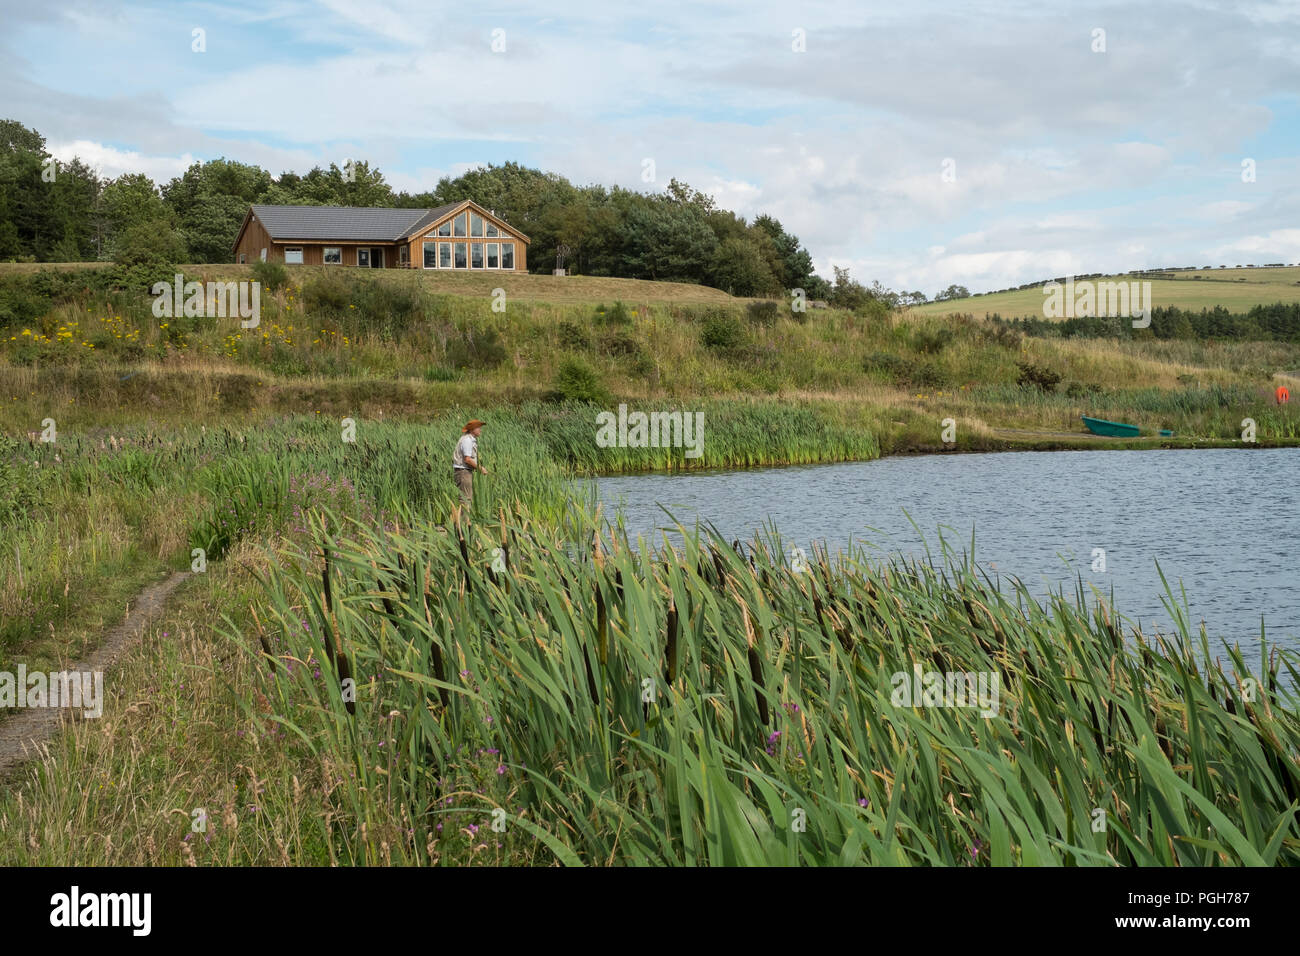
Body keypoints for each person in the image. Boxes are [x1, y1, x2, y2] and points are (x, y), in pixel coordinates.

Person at [453, 419, 488, 512]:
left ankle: (463, 523)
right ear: (472, 429)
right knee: (465, 499)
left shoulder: (469, 439)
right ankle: (464, 524)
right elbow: (467, 459)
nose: (480, 430)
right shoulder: (467, 440)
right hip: (463, 472)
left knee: (466, 498)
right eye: (478, 428)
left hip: (465, 471)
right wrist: (481, 468)